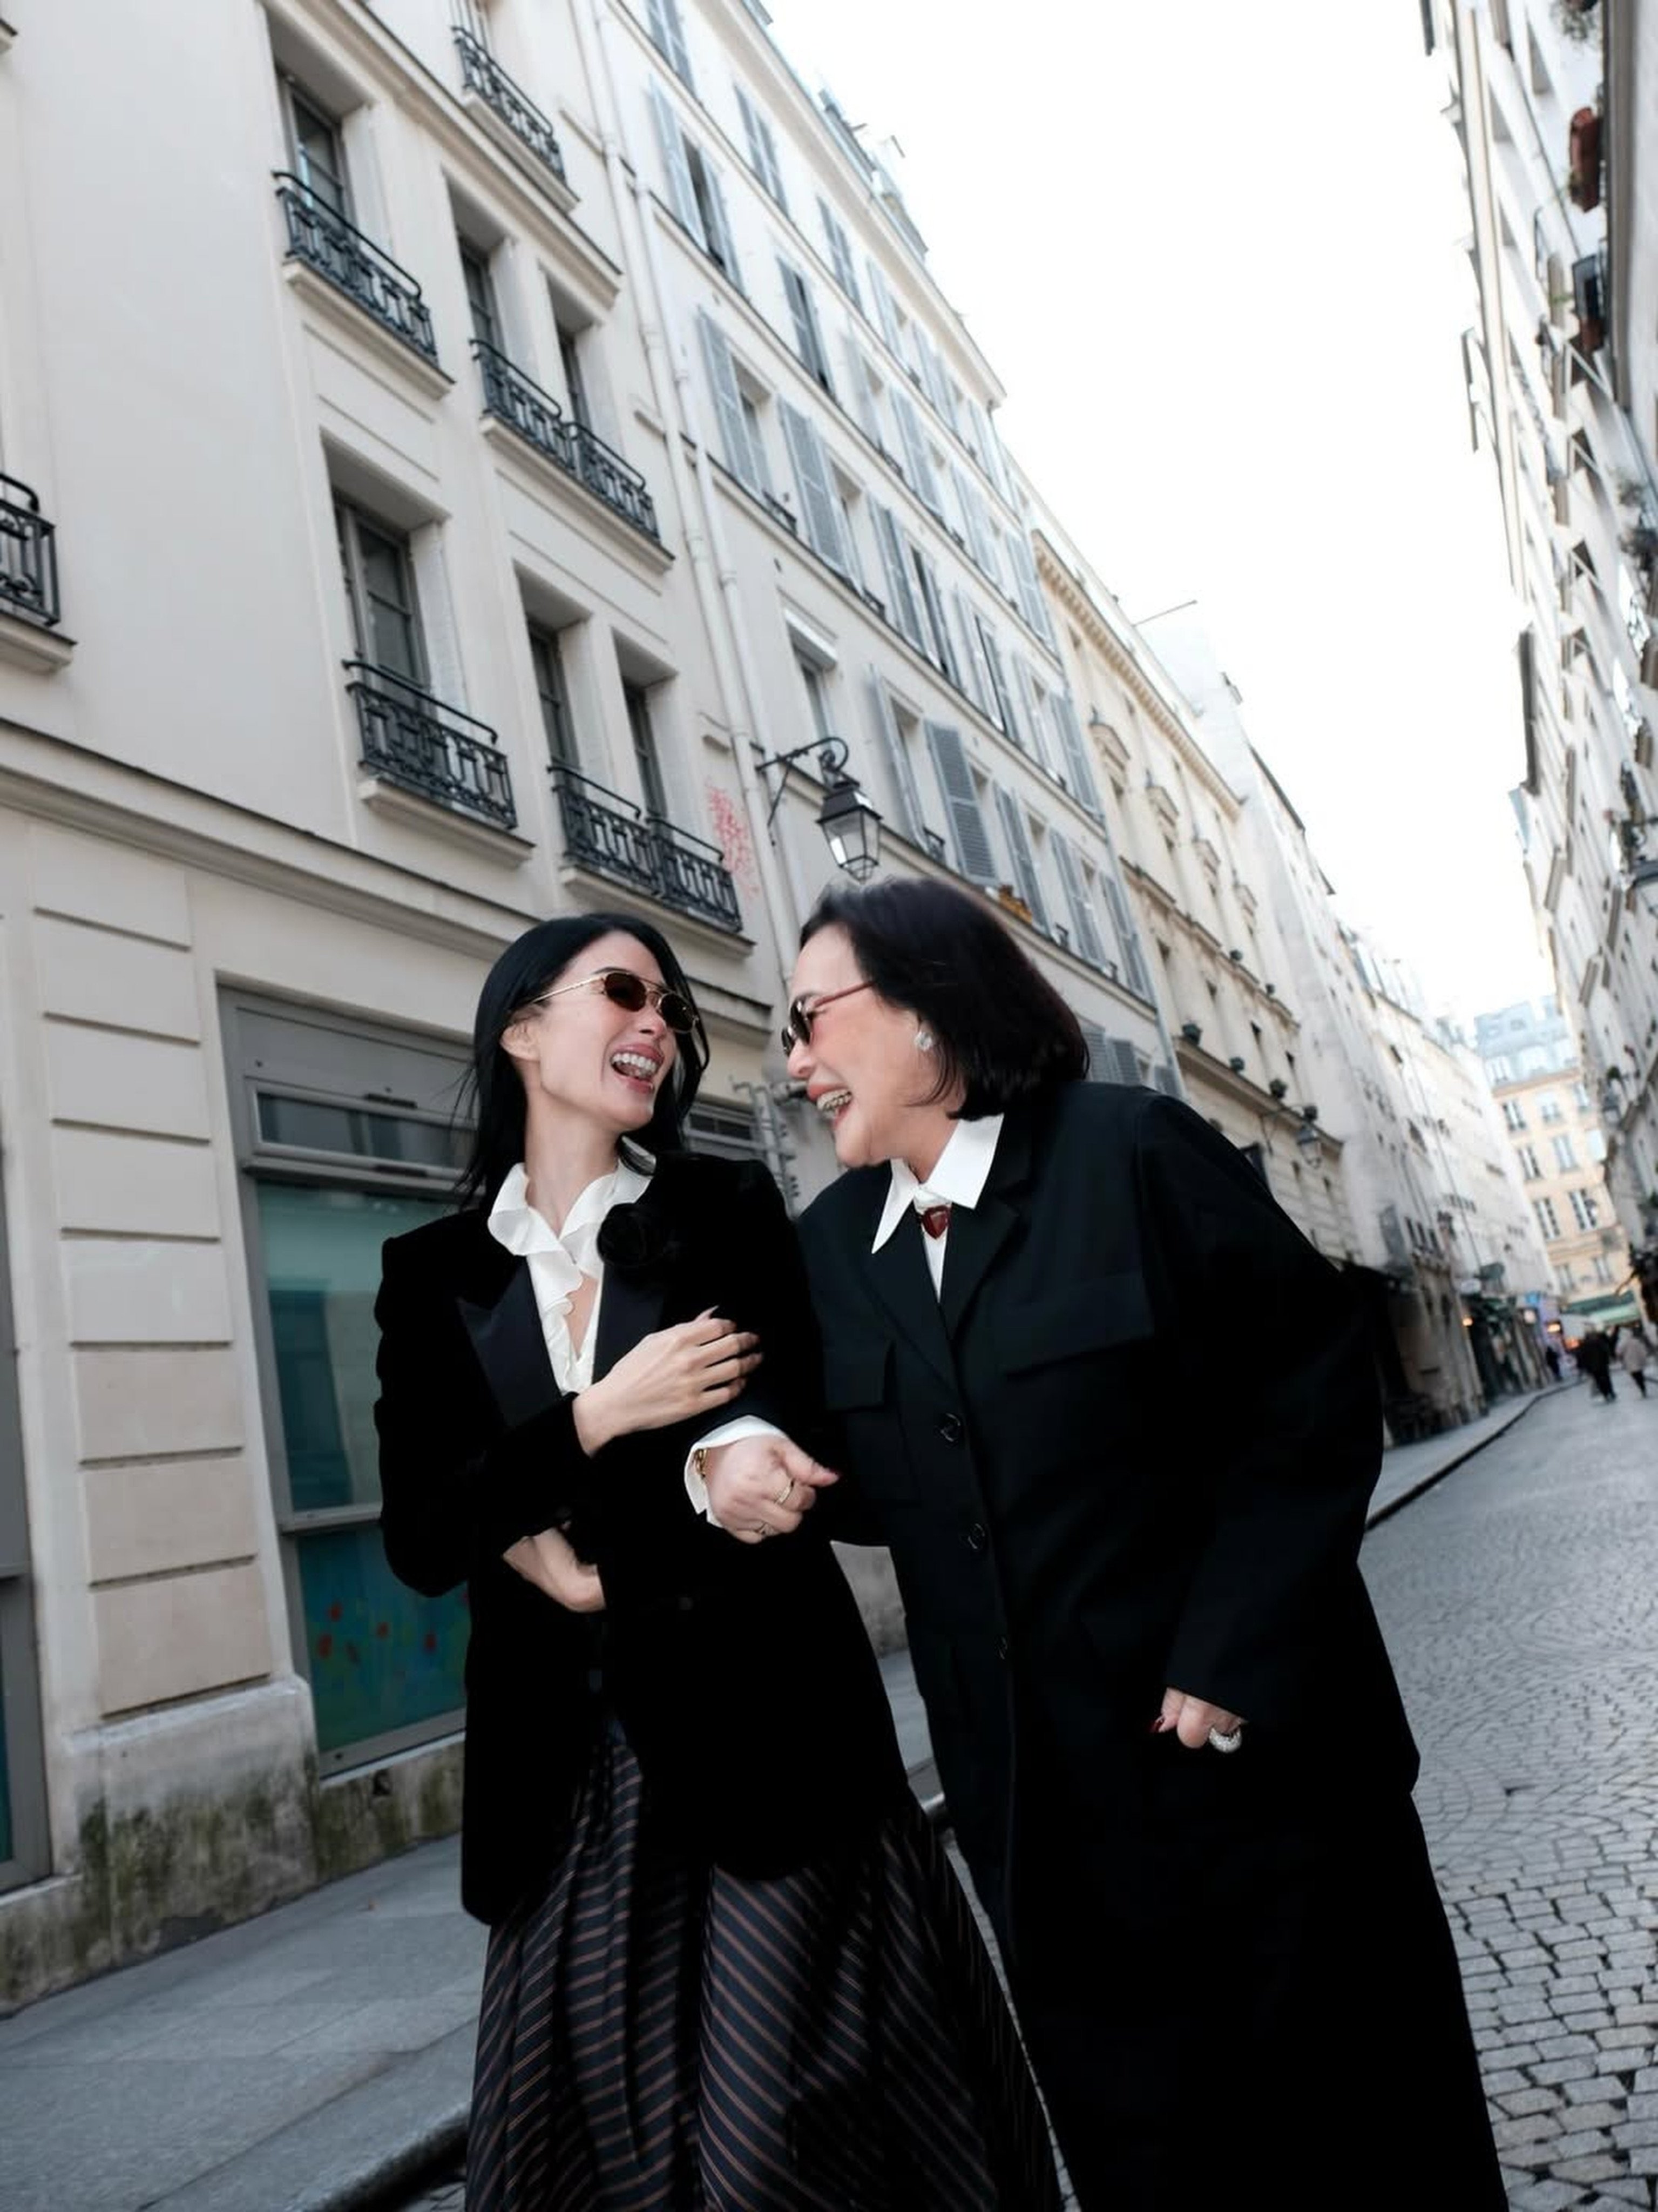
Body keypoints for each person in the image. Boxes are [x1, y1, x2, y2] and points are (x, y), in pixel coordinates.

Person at [699, 879, 1504, 2212]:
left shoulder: (1131, 1152)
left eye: (810, 1020)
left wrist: (1234, 1649)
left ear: (925, 1011)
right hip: (1047, 1841)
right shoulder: (831, 1245)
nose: (792, 1063)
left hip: (1260, 1796)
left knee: (1361, 2145)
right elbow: (803, 1437)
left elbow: (1304, 1402)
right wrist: (721, 1452)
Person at [375, 912, 1059, 2212]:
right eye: (621, 992)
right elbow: (422, 1530)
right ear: (522, 1026)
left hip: (769, 1749)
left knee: (773, 2154)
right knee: (598, 2169)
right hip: (562, 1801)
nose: (655, 1025)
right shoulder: (429, 1276)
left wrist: (607, 1537)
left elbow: (785, 1431)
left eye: (670, 1011)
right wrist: (604, 1414)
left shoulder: (730, 1210)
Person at [1578, 1326, 1618, 1401]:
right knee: (1607, 1379)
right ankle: (1611, 1392)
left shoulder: (1583, 1345)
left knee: (1599, 1381)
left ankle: (1605, 1394)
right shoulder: (1598, 1341)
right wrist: (1607, 1361)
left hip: (1593, 1368)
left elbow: (1582, 1358)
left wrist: (1586, 1368)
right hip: (1603, 1365)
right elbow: (1605, 1351)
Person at [1619, 1324, 1650, 1398]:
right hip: (1638, 1362)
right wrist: (1644, 1359)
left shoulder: (1622, 1343)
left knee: (1635, 1376)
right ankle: (1643, 1388)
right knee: (1640, 1375)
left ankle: (1641, 1388)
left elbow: (1619, 1353)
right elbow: (1642, 1351)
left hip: (1630, 1363)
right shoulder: (1636, 1341)